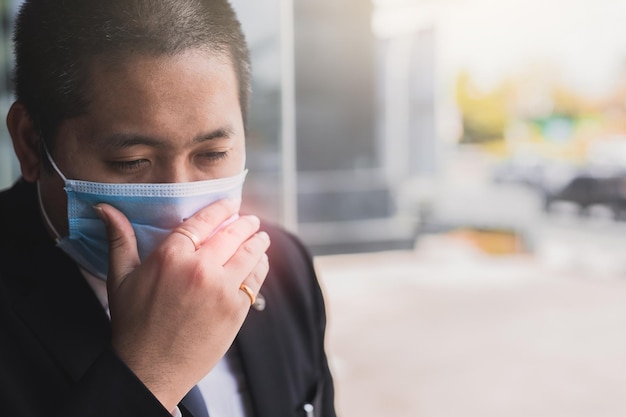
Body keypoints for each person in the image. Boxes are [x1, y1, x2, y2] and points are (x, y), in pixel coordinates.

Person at [0, 1, 337, 416]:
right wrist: (147, 376)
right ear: (31, 143)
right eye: (132, 162)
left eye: (213, 154)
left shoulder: (286, 272)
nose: (180, 208)